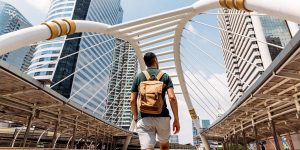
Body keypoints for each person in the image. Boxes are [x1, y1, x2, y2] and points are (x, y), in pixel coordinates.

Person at [130, 52, 180, 150]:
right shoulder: (165, 76)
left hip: (144, 118)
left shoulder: (139, 77)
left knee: (147, 148)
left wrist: (136, 117)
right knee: (164, 146)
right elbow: (172, 97)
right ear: (156, 60)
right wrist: (176, 119)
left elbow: (132, 100)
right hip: (163, 117)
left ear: (145, 63)